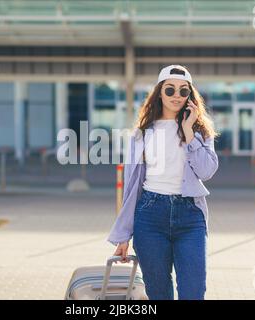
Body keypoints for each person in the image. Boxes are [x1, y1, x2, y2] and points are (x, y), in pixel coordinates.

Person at [107, 65, 219, 300]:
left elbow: (207, 170)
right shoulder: (141, 134)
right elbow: (131, 189)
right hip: (150, 217)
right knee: (158, 294)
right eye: (170, 90)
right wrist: (123, 235)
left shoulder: (200, 133)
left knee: (194, 292)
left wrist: (189, 132)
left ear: (191, 96)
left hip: (190, 217)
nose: (176, 95)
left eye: (183, 91)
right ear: (159, 93)